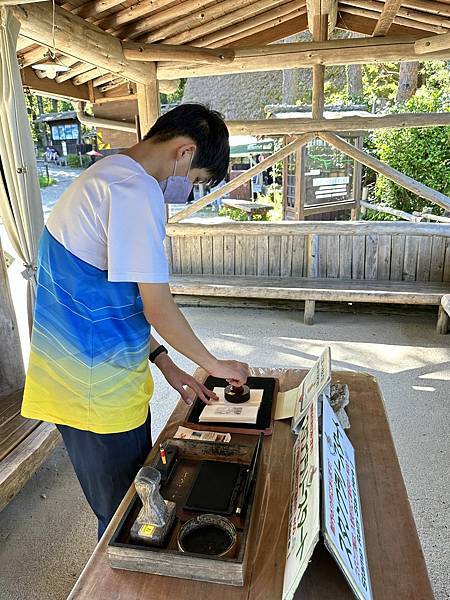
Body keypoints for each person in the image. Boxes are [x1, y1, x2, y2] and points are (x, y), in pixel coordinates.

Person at [22, 104, 249, 539]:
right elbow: (158, 307)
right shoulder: (134, 189)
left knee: (138, 494)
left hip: (95, 382)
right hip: (93, 392)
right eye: (197, 180)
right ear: (185, 152)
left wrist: (166, 362)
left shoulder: (107, 174)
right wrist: (215, 364)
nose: (186, 189)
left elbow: (115, 300)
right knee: (125, 515)